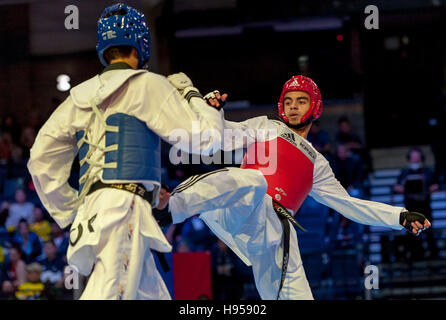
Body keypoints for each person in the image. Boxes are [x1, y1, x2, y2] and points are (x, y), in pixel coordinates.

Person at [166, 75, 431, 300]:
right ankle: (170, 206)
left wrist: (400, 216)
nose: (293, 107)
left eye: (301, 101)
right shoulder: (267, 127)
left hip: (272, 233)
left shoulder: (318, 163)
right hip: (237, 206)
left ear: (315, 107)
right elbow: (218, 139)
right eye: (288, 101)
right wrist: (211, 109)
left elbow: (351, 206)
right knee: (254, 181)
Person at [27, 3, 223, 300]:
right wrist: (194, 98)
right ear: (140, 44)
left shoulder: (79, 95)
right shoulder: (148, 85)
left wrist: (70, 210)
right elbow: (205, 140)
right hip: (124, 209)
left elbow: (40, 157)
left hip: (96, 212)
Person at [393, 147, 439, 260]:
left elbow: (436, 185)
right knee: (412, 233)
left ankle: (433, 257)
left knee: (429, 232)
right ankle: (415, 256)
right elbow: (396, 187)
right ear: (409, 158)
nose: (415, 159)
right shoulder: (405, 172)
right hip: (410, 207)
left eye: (417, 157)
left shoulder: (427, 171)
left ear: (421, 158)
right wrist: (404, 189)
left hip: (425, 206)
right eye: (413, 157)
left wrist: (427, 189)